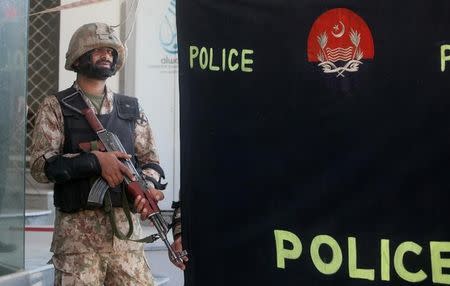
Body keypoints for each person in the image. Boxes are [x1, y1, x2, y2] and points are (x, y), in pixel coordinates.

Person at [30, 22, 168, 285]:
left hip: (127, 242)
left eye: (110, 51)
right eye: (98, 50)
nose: (106, 55)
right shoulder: (56, 106)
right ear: (79, 58)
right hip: (77, 246)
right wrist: (95, 161)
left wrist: (147, 186)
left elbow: (151, 161)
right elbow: (40, 166)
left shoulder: (131, 108)